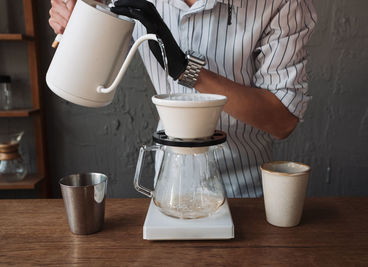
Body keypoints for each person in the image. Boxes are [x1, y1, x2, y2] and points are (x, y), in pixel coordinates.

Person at [49, 0, 317, 198]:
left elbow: (283, 120)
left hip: (245, 191)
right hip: (168, 186)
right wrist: (76, 20)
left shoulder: (284, 4)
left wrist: (186, 69)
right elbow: (82, 85)